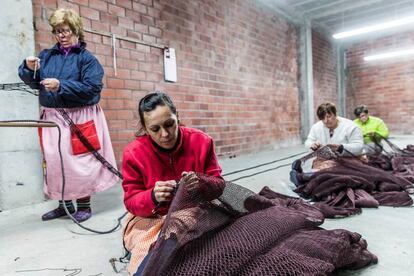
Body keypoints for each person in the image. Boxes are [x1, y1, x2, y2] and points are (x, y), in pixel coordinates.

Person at [18, 8, 117, 222]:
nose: (61, 36)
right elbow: (35, 83)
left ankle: (83, 205)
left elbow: (92, 89)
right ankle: (63, 205)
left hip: (79, 117)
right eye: (57, 31)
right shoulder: (47, 56)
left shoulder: (87, 59)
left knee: (80, 161)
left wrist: (61, 85)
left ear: (76, 30)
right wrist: (28, 68)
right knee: (55, 161)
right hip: (52, 117)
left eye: (66, 31)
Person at [121, 91, 223, 274]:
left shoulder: (202, 142)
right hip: (152, 218)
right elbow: (131, 201)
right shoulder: (133, 154)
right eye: (155, 129)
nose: (165, 134)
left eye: (170, 124)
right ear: (145, 128)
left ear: (178, 117)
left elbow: (218, 184)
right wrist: (152, 196)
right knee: (153, 259)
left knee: (213, 249)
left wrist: (202, 183)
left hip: (195, 212)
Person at [290, 102, 363, 186]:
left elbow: (359, 147)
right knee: (324, 165)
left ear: (335, 114)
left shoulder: (351, 126)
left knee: (334, 168)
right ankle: (305, 175)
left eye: (329, 116)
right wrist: (312, 145)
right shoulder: (317, 127)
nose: (326, 121)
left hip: (347, 159)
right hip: (324, 159)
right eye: (322, 118)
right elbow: (308, 141)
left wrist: (341, 147)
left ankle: (305, 177)